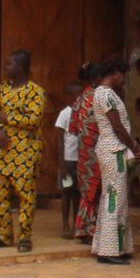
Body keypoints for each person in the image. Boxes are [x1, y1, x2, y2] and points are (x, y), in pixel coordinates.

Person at [0, 50, 45, 252]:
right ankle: (4, 235)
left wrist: (6, 119)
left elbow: (34, 119)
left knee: (26, 195)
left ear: (21, 68)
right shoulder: (0, 90)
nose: (5, 67)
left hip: (23, 152)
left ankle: (25, 236)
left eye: (9, 64)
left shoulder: (36, 92)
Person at [92, 57, 140, 265]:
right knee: (115, 199)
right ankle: (110, 250)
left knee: (112, 198)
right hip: (113, 150)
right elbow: (117, 126)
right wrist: (134, 146)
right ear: (114, 72)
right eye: (122, 75)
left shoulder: (105, 93)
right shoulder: (105, 94)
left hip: (112, 149)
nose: (123, 80)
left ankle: (111, 246)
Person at [70, 63, 103, 244]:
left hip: (83, 152)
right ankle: (89, 229)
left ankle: (84, 227)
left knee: (88, 190)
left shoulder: (80, 99)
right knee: (95, 190)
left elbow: (73, 127)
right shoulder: (98, 98)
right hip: (96, 151)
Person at [55, 81, 83, 238]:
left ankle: (77, 224)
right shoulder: (65, 113)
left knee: (77, 194)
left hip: (80, 160)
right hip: (68, 160)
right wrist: (62, 162)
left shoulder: (83, 113)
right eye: (78, 96)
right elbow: (60, 139)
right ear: (71, 98)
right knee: (66, 193)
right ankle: (65, 225)